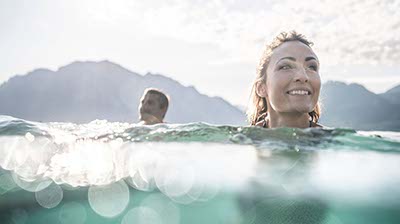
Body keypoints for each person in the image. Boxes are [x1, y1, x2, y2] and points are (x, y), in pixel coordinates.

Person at [247, 31, 322, 128]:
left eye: (311, 67)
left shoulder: (336, 141)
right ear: (261, 87)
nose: (303, 76)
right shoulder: (239, 141)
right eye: (286, 67)